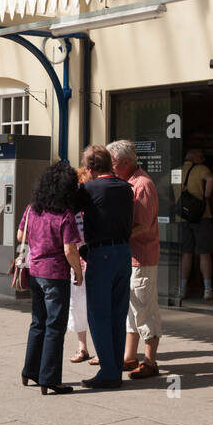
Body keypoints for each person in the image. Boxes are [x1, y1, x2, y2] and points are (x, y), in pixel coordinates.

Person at [18, 161, 85, 395]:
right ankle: (50, 379)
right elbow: (69, 250)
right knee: (55, 327)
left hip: (34, 271)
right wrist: (78, 272)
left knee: (38, 322)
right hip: (55, 275)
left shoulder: (32, 209)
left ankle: (30, 370)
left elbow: (20, 235)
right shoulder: (65, 215)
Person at [76, 144, 133, 390]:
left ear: (90, 168)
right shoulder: (126, 188)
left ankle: (108, 372)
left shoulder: (88, 190)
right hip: (124, 252)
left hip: (101, 253)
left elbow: (70, 212)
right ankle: (114, 369)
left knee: (99, 314)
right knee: (118, 314)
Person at [110, 140, 161, 379]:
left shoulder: (142, 185)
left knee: (145, 308)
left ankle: (150, 361)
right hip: (130, 257)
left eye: (113, 162)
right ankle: (129, 357)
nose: (110, 167)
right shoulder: (127, 182)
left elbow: (143, 226)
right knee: (131, 309)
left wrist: (115, 236)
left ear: (126, 162)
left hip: (141, 257)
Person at [177, 148, 213, 301]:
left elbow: (160, 187)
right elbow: (211, 179)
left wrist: (172, 202)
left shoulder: (177, 171)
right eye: (201, 156)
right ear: (194, 158)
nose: (203, 159)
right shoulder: (201, 169)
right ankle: (207, 289)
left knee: (186, 254)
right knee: (204, 253)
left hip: (182, 218)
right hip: (202, 216)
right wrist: (206, 197)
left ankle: (182, 289)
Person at [68, 166, 92, 364]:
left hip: (91, 260)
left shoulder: (93, 208)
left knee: (94, 305)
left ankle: (99, 348)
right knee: (77, 305)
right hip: (77, 262)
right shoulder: (73, 210)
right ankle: (82, 346)